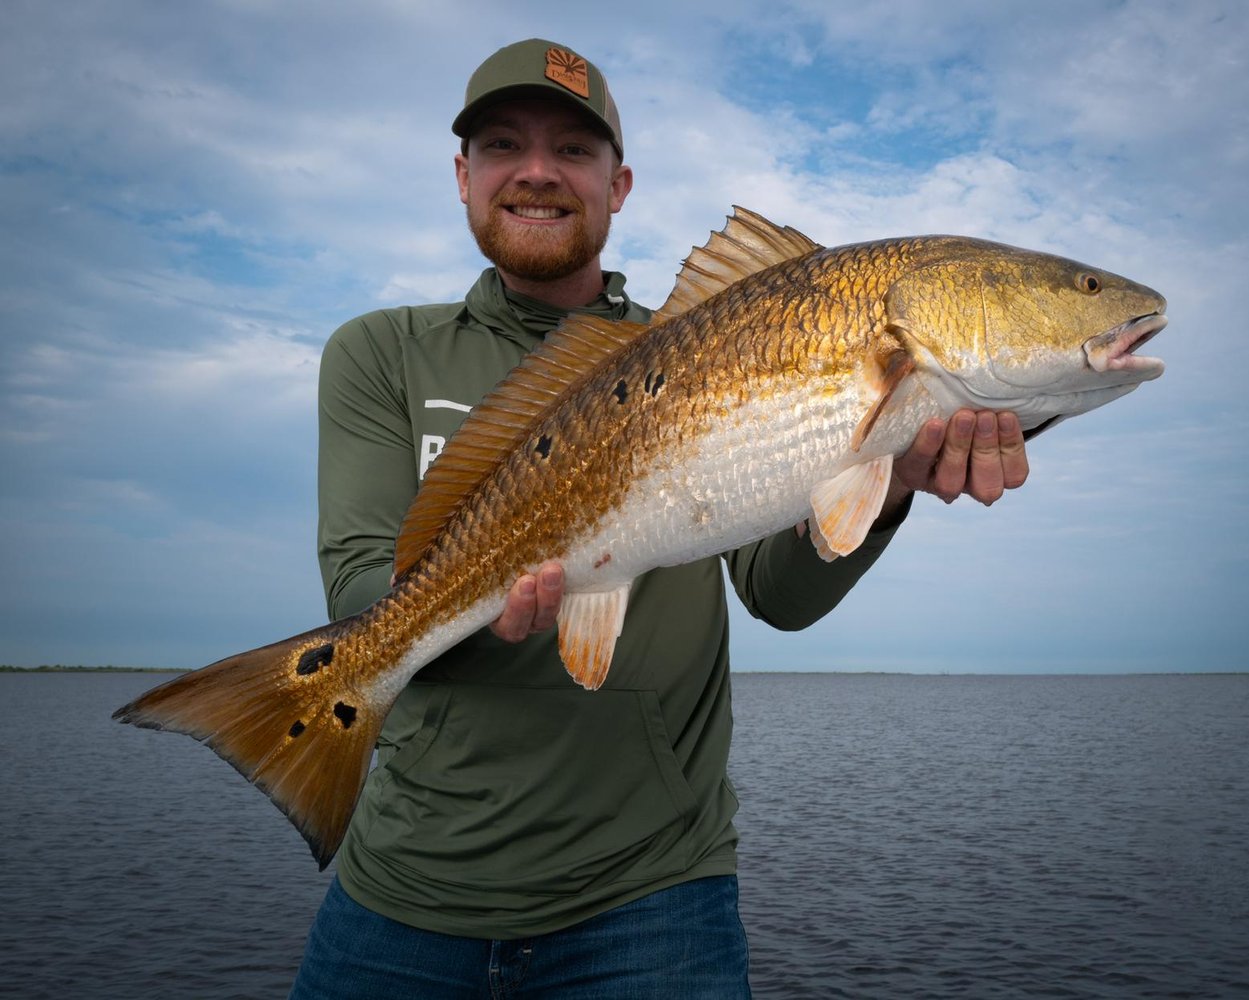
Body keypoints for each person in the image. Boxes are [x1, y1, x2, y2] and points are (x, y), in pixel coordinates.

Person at [289, 38, 1029, 1000]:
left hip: (656, 903)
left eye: (575, 150)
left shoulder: (711, 342)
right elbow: (355, 583)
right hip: (405, 898)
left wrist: (887, 484)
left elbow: (779, 596)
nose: (540, 171)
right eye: (505, 144)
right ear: (463, 176)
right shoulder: (380, 353)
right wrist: (459, 606)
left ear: (619, 182)